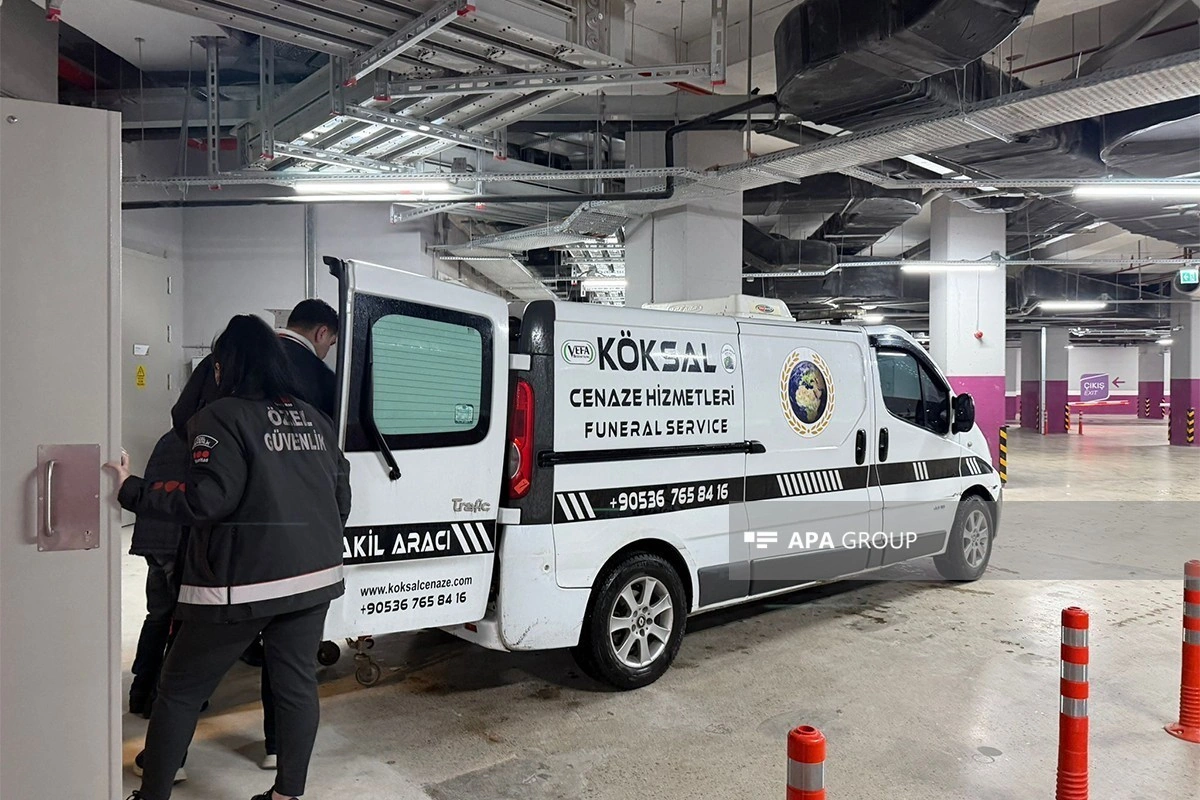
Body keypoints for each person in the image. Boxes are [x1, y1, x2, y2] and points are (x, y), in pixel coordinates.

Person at [110, 314, 351, 800]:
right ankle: (286, 794)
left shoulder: (220, 418)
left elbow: (206, 501)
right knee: (295, 686)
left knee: (179, 690)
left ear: (226, 366)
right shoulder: (315, 419)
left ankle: (152, 795)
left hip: (240, 585)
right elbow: (340, 499)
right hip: (315, 577)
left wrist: (129, 489)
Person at [170, 298, 340, 770]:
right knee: (291, 674)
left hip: (230, 553)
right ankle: (277, 752)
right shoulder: (323, 387)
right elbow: (336, 480)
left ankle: (171, 761)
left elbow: (183, 421)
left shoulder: (222, 371)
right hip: (307, 557)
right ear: (322, 333)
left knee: (183, 678)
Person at [174, 299, 339, 430]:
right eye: (331, 343)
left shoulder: (229, 353)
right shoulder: (322, 378)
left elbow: (182, 414)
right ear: (322, 333)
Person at [127, 431, 190, 721]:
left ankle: (140, 692)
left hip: (153, 536)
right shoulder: (208, 436)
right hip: (179, 540)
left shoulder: (169, 437)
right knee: (184, 622)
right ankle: (161, 698)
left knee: (158, 616)